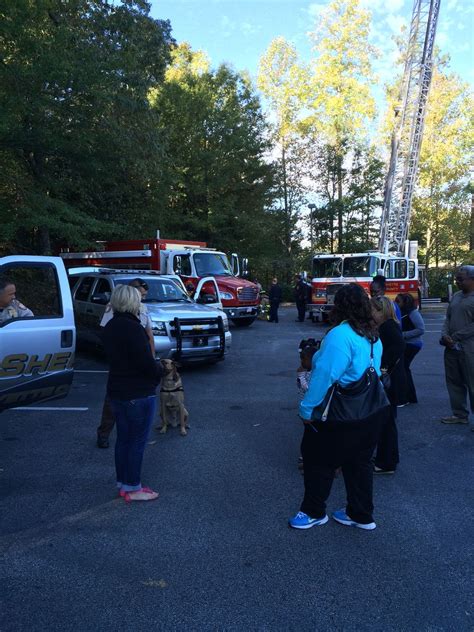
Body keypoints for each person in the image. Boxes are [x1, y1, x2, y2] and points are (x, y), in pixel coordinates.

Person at [289, 283, 385, 531]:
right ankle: (360, 514)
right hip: (371, 411)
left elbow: (325, 375)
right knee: (359, 464)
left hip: (341, 414)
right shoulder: (372, 334)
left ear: (339, 305)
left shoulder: (340, 335)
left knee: (317, 460)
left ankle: (313, 512)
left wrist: (307, 410)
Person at [101, 284, 163, 502]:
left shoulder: (110, 326)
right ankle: (134, 488)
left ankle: (124, 483)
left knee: (123, 440)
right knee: (136, 441)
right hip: (137, 393)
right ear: (132, 302)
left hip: (117, 391)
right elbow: (146, 362)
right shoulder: (133, 328)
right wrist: (160, 371)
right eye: (138, 299)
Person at [97, 278, 155, 449]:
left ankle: (129, 434)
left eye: (144, 295)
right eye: (140, 295)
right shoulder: (113, 307)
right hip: (122, 366)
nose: (142, 299)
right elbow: (106, 334)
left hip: (138, 365)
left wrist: (151, 359)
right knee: (112, 402)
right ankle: (104, 433)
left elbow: (149, 335)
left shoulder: (143, 308)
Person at [370, 296, 406, 474]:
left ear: (382, 311)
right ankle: (389, 457)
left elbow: (399, 346)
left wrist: (383, 366)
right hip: (392, 377)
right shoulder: (389, 325)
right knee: (387, 420)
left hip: (389, 380)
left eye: (374, 310)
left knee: (386, 421)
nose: (371, 313)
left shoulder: (388, 327)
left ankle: (387, 462)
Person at [439, 265, 474, 426]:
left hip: (469, 347)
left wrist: (455, 337)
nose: (457, 282)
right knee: (454, 381)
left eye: (461, 279)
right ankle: (460, 414)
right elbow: (448, 318)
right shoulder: (457, 296)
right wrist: (445, 335)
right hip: (451, 347)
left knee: (472, 382)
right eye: (456, 279)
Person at [396, 293, 425, 405]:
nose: (396, 303)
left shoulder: (413, 313)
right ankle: (410, 396)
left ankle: (408, 396)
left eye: (398, 301)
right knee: (404, 368)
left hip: (413, 344)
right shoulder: (402, 313)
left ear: (405, 302)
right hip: (407, 343)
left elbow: (421, 329)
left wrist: (403, 335)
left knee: (404, 368)